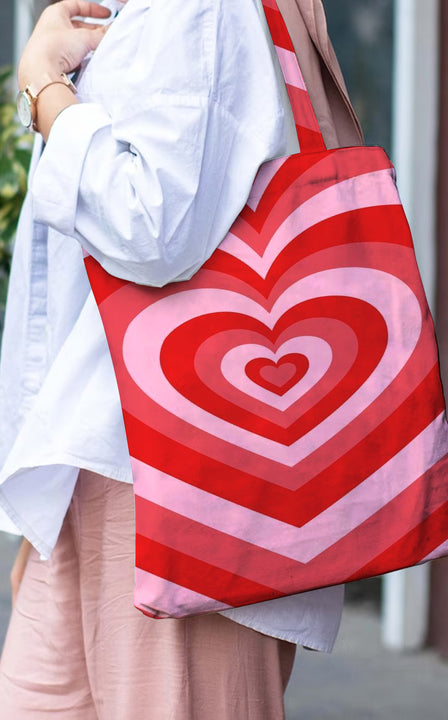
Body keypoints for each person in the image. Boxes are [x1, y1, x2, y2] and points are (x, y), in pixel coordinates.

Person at [0, 0, 363, 717]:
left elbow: (150, 224)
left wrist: (45, 87)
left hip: (178, 473)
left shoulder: (202, 7)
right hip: (96, 452)